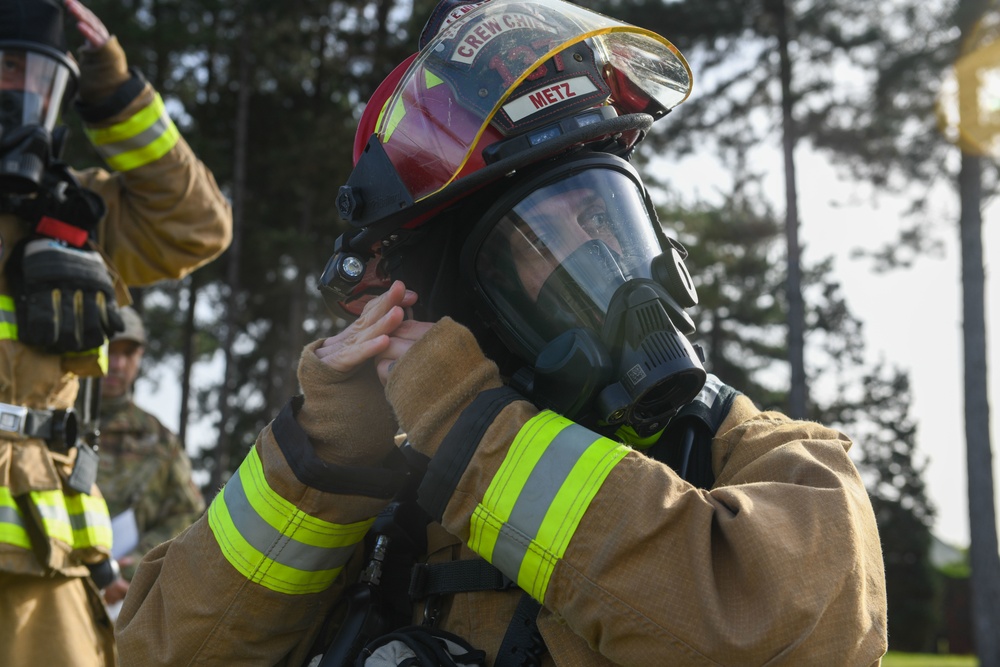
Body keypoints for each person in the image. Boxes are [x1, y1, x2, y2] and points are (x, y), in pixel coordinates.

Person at [117, 0, 887, 665]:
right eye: (550, 237)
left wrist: (473, 435)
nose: (609, 261)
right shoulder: (376, 486)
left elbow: (793, 634)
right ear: (459, 297)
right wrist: (322, 467)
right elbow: (161, 649)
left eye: (608, 217)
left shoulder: (761, 455)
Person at [0, 0, 232, 665]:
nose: (13, 91)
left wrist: (115, 90)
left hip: (43, 572)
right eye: (1, 68)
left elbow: (197, 224)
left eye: (31, 75)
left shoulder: (73, 216)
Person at [96, 306, 206, 612]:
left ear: (140, 357)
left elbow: (187, 515)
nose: (116, 364)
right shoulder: (50, 425)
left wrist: (130, 568)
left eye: (127, 353)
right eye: (108, 349)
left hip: (120, 599)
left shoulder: (159, 440)